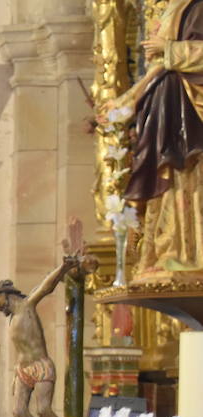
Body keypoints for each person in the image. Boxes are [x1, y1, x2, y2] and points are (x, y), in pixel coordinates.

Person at [106, 0, 203, 277]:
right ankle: (171, 250)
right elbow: (157, 69)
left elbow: (166, 59)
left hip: (191, 111)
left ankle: (190, 254)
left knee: (190, 179)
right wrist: (125, 104)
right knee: (171, 185)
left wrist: (170, 49)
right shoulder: (175, 7)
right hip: (168, 107)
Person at [0, 263, 71, 417]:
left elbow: (46, 286)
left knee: (43, 409)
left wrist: (64, 267)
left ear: (5, 294)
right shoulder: (12, 318)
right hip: (23, 370)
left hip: (40, 366)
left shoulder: (27, 306)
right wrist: (17, 375)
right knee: (19, 411)